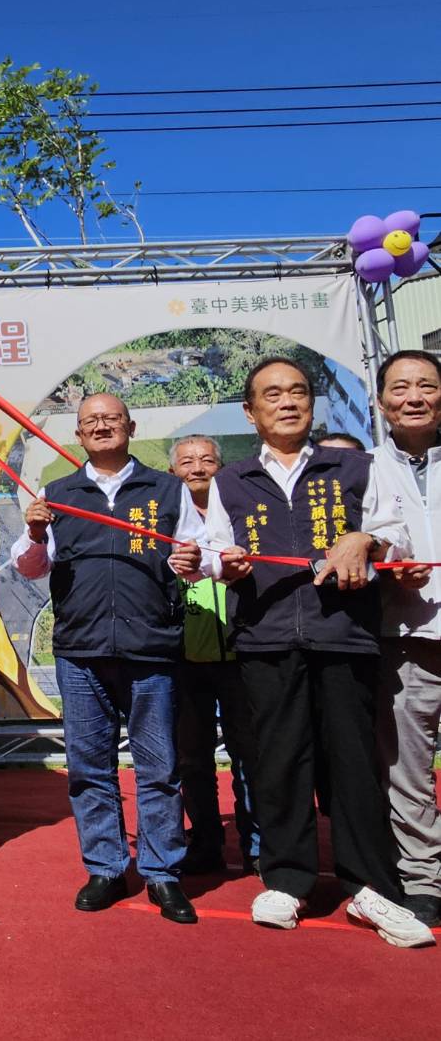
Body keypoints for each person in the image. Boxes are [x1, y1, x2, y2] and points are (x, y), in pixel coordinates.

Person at [206, 356, 434, 948]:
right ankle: (287, 879)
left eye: (298, 392)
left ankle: (372, 885)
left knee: (354, 762)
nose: (288, 403)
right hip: (265, 637)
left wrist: (364, 539)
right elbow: (212, 550)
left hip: (344, 635)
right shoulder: (231, 481)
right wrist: (224, 565)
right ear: (250, 412)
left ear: (312, 403)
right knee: (280, 761)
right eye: (273, 395)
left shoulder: (354, 466)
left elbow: (395, 533)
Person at [11, 393, 204, 924]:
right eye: (90, 421)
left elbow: (200, 557)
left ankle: (163, 873)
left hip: (151, 648)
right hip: (81, 650)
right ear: (78, 434)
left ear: (130, 427)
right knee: (89, 767)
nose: (101, 426)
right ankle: (105, 868)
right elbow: (29, 567)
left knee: (159, 768)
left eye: (111, 419)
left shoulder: (166, 489)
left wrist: (191, 560)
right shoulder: (58, 494)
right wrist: (35, 533)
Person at [369, 349, 441, 929]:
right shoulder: (364, 469)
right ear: (381, 401)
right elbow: (355, 546)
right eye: (400, 387)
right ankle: (422, 879)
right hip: (405, 636)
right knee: (407, 769)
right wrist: (387, 567)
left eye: (427, 385)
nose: (414, 397)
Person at [167, 435, 259, 877]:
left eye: (207, 460)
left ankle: (257, 844)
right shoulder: (163, 521)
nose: (197, 468)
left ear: (222, 469)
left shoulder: (242, 514)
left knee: (250, 754)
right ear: (173, 473)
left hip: (243, 653)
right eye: (187, 462)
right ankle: (205, 842)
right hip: (184, 658)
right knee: (191, 758)